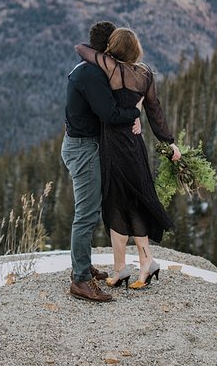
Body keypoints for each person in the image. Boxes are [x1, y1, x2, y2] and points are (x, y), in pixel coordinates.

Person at [75, 28, 180, 290]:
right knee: (134, 201)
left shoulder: (110, 69)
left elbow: (81, 49)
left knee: (115, 204)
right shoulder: (145, 74)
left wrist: (105, 50)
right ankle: (144, 264)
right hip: (134, 147)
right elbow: (155, 111)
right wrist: (169, 142)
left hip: (113, 147)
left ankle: (122, 268)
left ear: (113, 49)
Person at [62, 21, 142, 302]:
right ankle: (80, 280)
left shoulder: (91, 70)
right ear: (109, 47)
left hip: (83, 145)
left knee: (90, 211)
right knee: (86, 214)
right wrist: (135, 112)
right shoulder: (91, 75)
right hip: (83, 149)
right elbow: (109, 114)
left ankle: (82, 266)